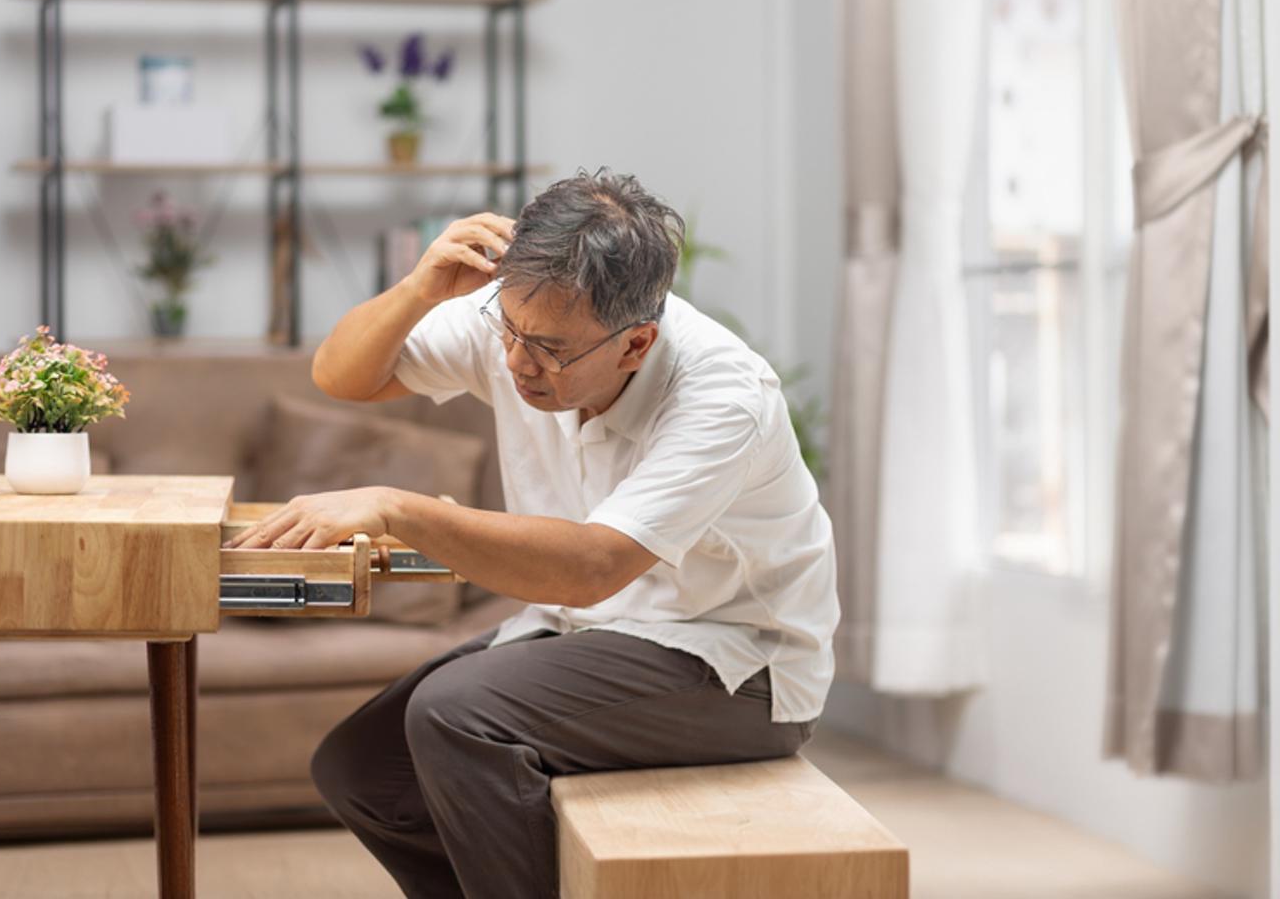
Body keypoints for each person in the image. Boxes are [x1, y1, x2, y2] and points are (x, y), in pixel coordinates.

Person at [224, 168, 840, 899]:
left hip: (735, 665)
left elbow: (591, 568)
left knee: (457, 715)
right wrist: (420, 289)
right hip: (591, 632)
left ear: (636, 344)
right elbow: (341, 375)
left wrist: (399, 508)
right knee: (360, 770)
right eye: (509, 333)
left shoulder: (721, 396)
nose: (517, 362)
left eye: (549, 349)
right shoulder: (522, 315)